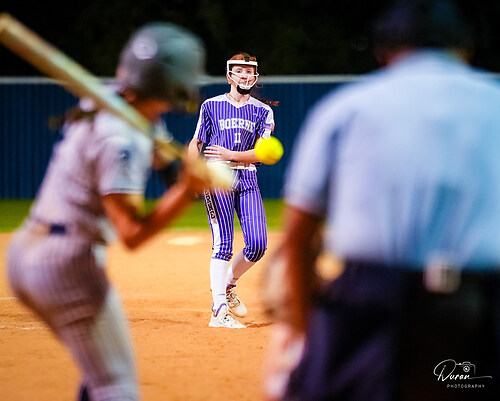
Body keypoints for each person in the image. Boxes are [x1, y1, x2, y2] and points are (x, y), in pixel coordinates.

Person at [263, 1, 500, 400]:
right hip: (480, 306)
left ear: (383, 51)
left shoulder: (345, 107)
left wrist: (304, 333)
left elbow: (299, 237)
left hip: (371, 306)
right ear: (465, 48)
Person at [7, 22, 210, 401]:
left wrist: (180, 170)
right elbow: (131, 233)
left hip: (27, 251)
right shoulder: (122, 139)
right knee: (116, 388)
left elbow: (159, 152)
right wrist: (188, 191)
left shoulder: (110, 100)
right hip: (66, 265)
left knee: (99, 372)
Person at [188, 52, 276, 328]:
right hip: (218, 175)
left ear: (255, 76)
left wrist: (232, 154)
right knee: (223, 243)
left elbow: (261, 153)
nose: (245, 76)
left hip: (248, 177)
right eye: (240, 71)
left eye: (250, 71)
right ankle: (218, 311)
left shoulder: (263, 111)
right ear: (229, 75)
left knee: (258, 245)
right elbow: (196, 143)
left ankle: (228, 284)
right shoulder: (211, 105)